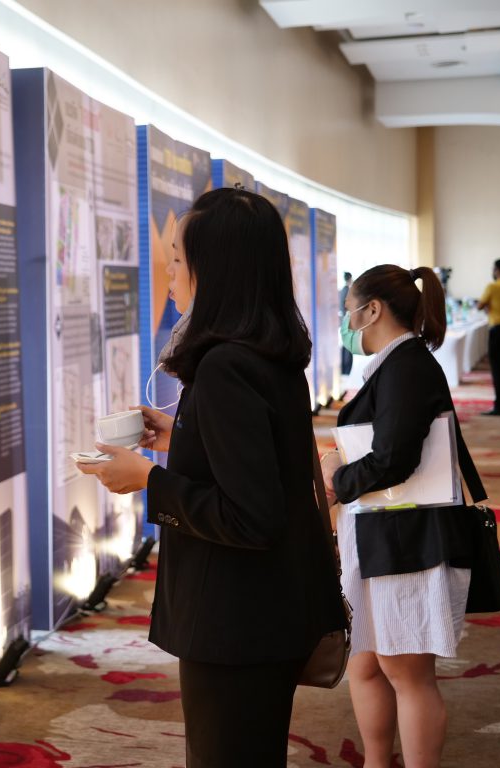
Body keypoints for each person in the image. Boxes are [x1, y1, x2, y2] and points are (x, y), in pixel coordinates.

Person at [79, 187, 346, 766]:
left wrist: (147, 480)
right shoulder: (267, 353)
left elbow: (250, 516)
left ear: (216, 269)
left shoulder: (227, 365)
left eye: (178, 259)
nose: (170, 274)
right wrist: (180, 438)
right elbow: (263, 461)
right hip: (268, 614)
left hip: (237, 623)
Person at [321, 265, 474, 768]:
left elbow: (394, 459)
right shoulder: (393, 365)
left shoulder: (407, 366)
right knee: (366, 665)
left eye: (348, 310)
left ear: (373, 310)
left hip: (408, 541)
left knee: (407, 674)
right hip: (382, 533)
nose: (345, 321)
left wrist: (337, 477)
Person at [477, 258, 500, 415]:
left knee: (499, 369)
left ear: (497, 270)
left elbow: (480, 305)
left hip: (499, 330)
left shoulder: (493, 286)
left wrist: (488, 307)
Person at [340, 271, 354, 375]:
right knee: (348, 345)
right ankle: (346, 369)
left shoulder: (343, 291)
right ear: (349, 279)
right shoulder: (347, 291)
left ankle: (345, 369)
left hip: (345, 321)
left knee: (346, 344)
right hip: (348, 321)